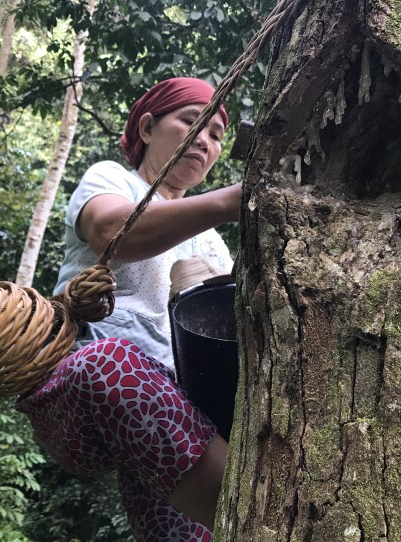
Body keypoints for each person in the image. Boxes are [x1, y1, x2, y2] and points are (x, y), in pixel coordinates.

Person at [15, 77, 241, 541]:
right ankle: (257, 512)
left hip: (173, 422)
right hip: (87, 396)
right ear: (146, 128)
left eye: (217, 134)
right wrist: (230, 202)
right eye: (190, 121)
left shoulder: (214, 244)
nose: (205, 140)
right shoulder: (111, 179)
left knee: (173, 513)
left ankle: (233, 512)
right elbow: (111, 228)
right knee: (111, 363)